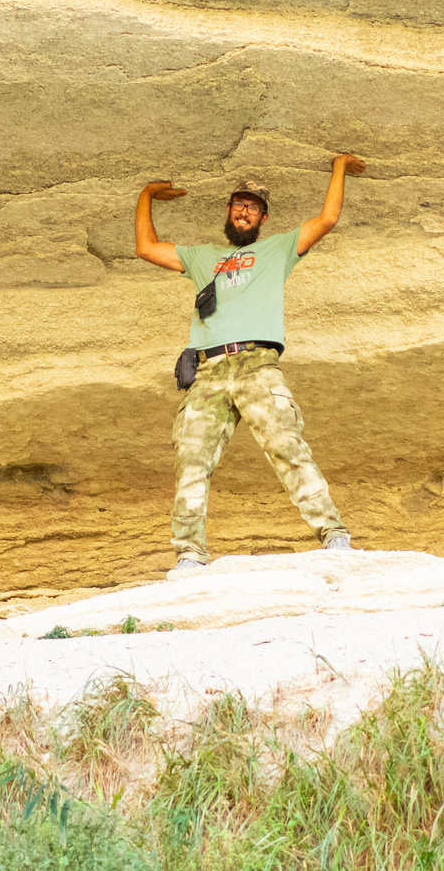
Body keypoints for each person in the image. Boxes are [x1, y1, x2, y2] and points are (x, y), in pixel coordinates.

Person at [133, 156, 365, 575]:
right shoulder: (203, 256)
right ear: (228, 210)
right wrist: (146, 195)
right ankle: (189, 555)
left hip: (258, 364)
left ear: (263, 216)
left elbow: (327, 219)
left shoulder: (277, 249)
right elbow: (146, 248)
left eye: (253, 207)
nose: (245, 211)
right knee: (191, 458)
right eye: (239, 204)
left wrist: (339, 167)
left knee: (287, 445)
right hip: (208, 370)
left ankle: (334, 535)